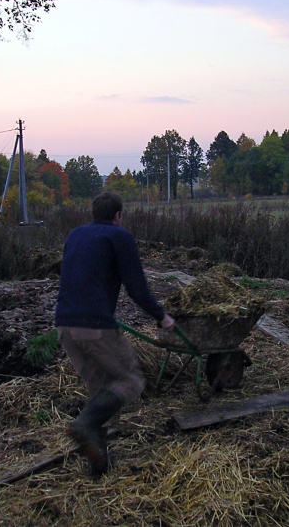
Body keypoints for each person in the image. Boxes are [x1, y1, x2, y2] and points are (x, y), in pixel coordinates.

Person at [55, 192, 175, 476]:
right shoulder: (120, 237)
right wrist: (161, 316)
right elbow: (136, 287)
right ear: (118, 215)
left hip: (63, 325)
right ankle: (83, 424)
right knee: (130, 381)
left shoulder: (75, 234)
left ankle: (98, 466)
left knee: (102, 391)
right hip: (95, 326)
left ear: (93, 212)